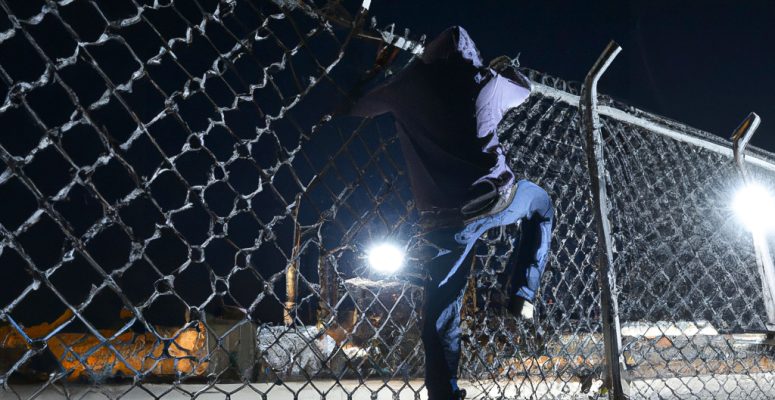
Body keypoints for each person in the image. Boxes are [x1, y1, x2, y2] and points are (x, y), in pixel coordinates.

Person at [344, 26, 554, 400]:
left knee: (441, 309)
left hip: (443, 220)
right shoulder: (485, 82)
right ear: (470, 56)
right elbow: (524, 88)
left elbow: (352, 105)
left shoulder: (405, 88)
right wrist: (504, 67)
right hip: (497, 198)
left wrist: (377, 68)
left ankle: (444, 392)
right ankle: (522, 292)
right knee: (541, 206)